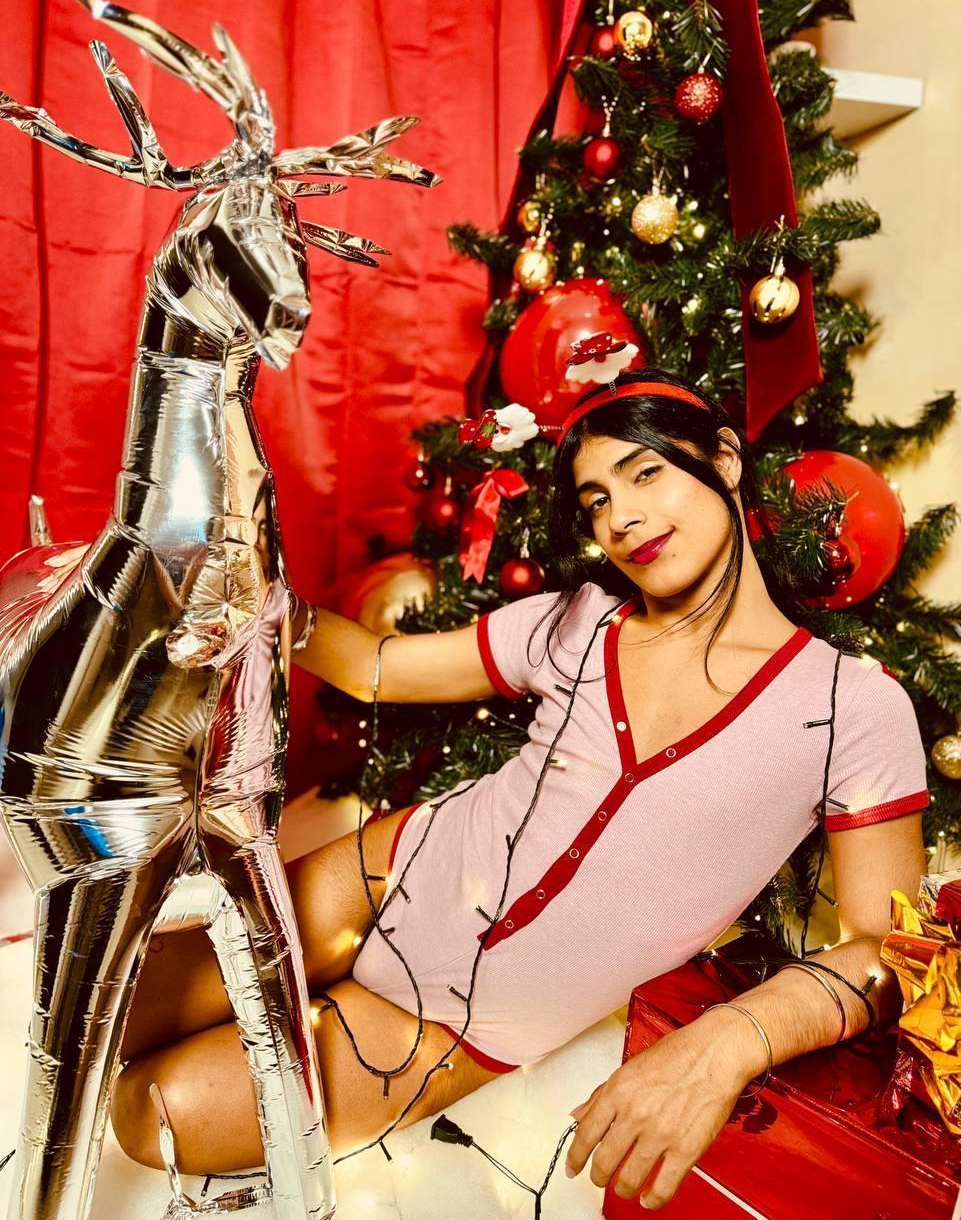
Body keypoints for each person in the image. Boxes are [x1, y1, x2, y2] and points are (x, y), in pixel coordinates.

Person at [111, 367, 927, 1210]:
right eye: (596, 500)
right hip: (378, 880)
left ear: (723, 458)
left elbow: (880, 952)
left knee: (153, 1114)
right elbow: (379, 667)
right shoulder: (575, 622)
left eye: (645, 473)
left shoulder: (850, 706)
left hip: (454, 1030)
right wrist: (273, 608)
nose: (622, 518)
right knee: (114, 1013)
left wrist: (727, 1042)